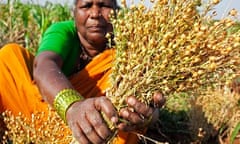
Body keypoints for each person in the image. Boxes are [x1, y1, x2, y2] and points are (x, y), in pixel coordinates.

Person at [0, 0, 165, 143]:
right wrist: (72, 107)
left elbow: (150, 101)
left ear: (117, 11)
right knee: (9, 56)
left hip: (96, 133)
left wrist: (150, 115)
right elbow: (43, 66)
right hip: (38, 118)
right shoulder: (64, 32)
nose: (95, 14)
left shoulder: (131, 48)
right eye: (86, 6)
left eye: (104, 5)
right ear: (74, 13)